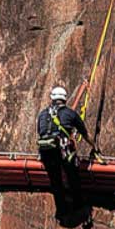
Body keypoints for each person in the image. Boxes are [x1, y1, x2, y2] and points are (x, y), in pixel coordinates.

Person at [37, 85, 99, 221]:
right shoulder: (70, 114)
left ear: (52, 99)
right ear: (64, 100)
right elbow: (85, 133)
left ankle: (62, 209)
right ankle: (78, 206)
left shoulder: (42, 114)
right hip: (62, 151)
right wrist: (95, 147)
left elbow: (41, 132)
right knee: (73, 177)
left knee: (55, 181)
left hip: (45, 151)